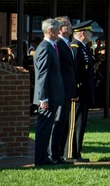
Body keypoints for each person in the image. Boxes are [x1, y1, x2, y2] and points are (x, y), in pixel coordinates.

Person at [33, 18, 65, 167]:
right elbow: (42, 76)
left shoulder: (50, 46)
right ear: (51, 31)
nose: (60, 31)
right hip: (47, 98)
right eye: (58, 29)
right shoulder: (45, 48)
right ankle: (40, 160)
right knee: (43, 129)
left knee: (47, 129)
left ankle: (44, 158)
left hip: (52, 96)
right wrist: (43, 98)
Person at [66, 20, 96, 163]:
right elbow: (73, 72)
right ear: (83, 33)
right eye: (90, 32)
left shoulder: (83, 48)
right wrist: (75, 91)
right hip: (78, 93)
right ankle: (71, 154)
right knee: (74, 124)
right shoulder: (75, 47)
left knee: (81, 123)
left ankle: (77, 152)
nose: (91, 35)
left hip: (84, 93)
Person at [52, 17, 76, 164]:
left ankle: (60, 154)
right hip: (62, 90)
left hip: (68, 90)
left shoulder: (67, 44)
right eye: (68, 24)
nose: (71, 26)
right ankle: (54, 154)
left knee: (65, 122)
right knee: (59, 122)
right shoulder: (58, 44)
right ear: (60, 29)